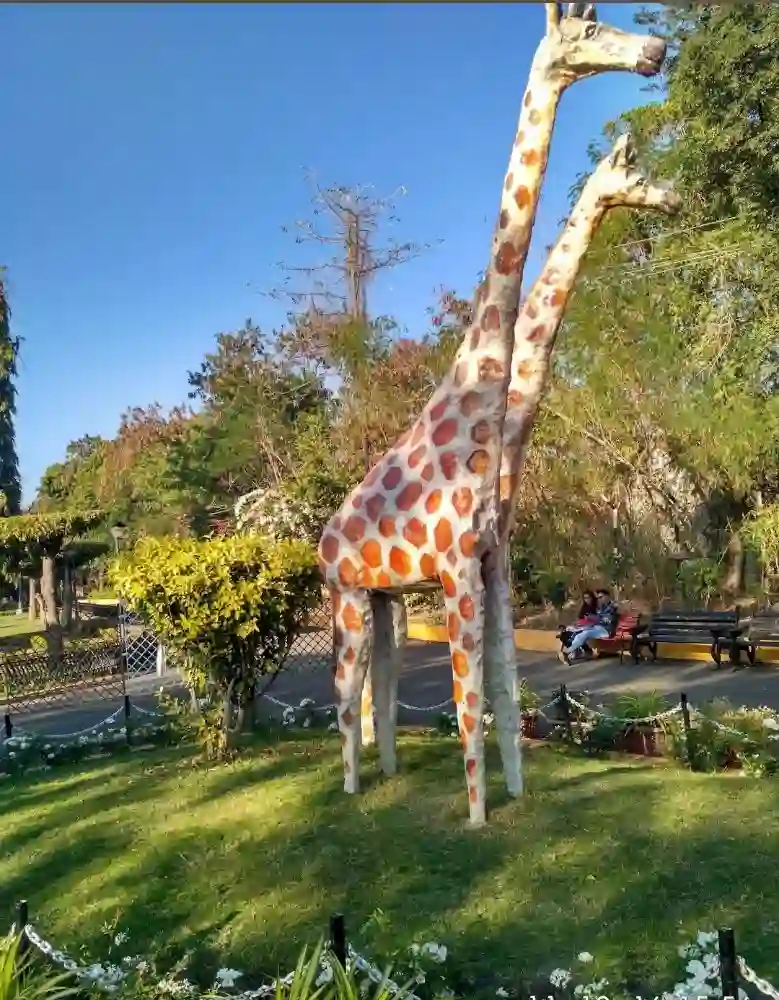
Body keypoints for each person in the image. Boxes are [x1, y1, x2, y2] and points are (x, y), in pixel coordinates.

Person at [559, 588, 620, 664]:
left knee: (586, 633)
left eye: (601, 597)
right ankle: (572, 651)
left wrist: (596, 618)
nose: (599, 599)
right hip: (597, 627)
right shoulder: (601, 606)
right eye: (598, 598)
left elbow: (608, 620)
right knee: (580, 631)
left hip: (606, 630)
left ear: (607, 596)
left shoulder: (612, 606)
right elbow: (599, 618)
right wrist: (593, 619)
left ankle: (567, 652)